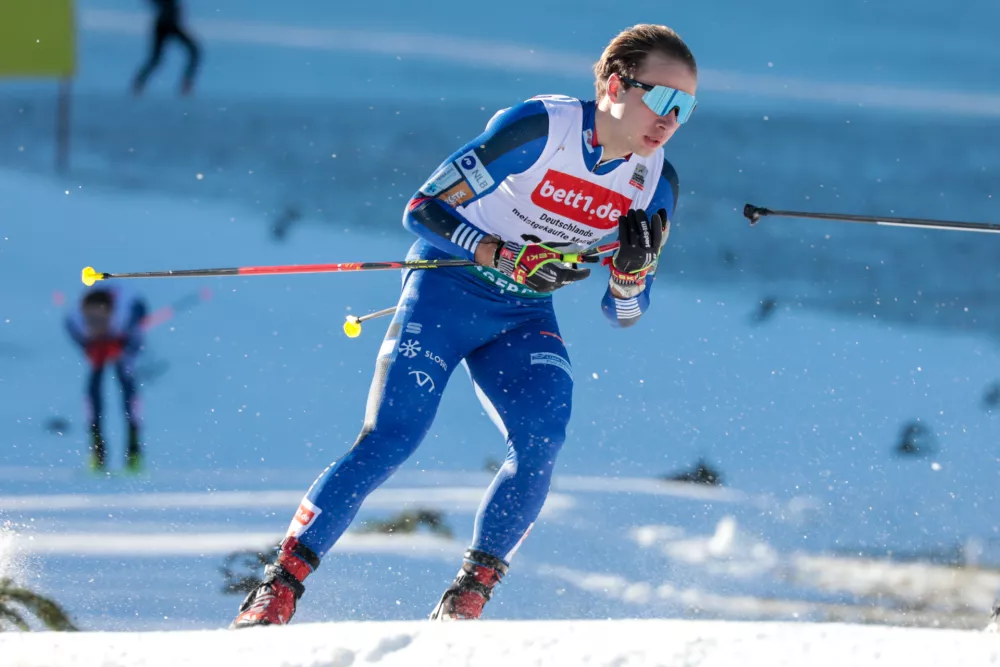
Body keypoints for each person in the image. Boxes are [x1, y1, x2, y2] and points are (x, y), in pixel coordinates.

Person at [230, 23, 697, 627]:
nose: (670, 121)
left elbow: (624, 314)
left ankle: (466, 601)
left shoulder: (656, 183)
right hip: (446, 289)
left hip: (522, 316)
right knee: (393, 436)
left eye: (686, 108)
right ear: (614, 85)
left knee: (541, 442)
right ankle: (279, 586)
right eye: (661, 99)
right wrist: (498, 254)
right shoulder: (541, 129)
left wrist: (630, 277)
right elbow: (422, 208)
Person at [65, 285, 149, 472]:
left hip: (124, 339)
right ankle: (97, 451)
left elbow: (137, 330)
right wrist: (90, 346)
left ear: (112, 314)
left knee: (127, 385)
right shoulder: (76, 320)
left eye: (101, 319)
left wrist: (121, 345)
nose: (96, 324)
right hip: (97, 344)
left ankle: (134, 451)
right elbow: (74, 332)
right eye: (91, 320)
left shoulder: (127, 314)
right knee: (93, 390)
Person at [131, 0, 201, 96]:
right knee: (156, 59)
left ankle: (186, 85)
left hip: (170, 24)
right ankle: (138, 85)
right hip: (166, 25)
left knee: (194, 52)